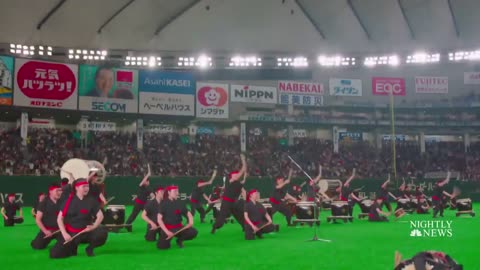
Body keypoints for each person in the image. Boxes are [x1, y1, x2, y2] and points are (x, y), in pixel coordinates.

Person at [49, 178, 108, 258]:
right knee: (54, 254)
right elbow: (59, 219)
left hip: (86, 232)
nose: (86, 188)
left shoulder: (91, 200)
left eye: (87, 186)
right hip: (71, 233)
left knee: (102, 231)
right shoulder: (68, 201)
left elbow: (100, 216)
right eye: (84, 186)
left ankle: (90, 248)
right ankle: (73, 247)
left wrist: (93, 227)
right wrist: (64, 233)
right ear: (76, 188)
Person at [211, 154, 247, 234]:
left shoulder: (238, 183)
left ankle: (245, 227)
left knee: (240, 215)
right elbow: (242, 171)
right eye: (235, 175)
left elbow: (243, 176)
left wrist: (245, 168)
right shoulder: (229, 181)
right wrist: (243, 160)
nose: (236, 175)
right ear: (231, 176)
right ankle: (215, 227)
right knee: (221, 219)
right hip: (226, 202)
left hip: (234, 202)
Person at [156, 185, 198, 250]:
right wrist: (167, 232)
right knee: (162, 246)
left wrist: (191, 221)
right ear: (169, 192)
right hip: (168, 229)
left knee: (193, 232)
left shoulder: (180, 202)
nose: (177, 193)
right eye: (175, 191)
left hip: (179, 228)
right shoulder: (163, 203)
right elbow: (159, 219)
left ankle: (179, 240)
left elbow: (188, 213)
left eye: (177, 191)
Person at [31, 183, 62, 249]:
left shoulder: (63, 202)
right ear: (50, 191)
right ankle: (35, 241)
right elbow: (38, 220)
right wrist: (45, 231)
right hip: (48, 231)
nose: (59, 192)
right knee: (37, 246)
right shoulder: (43, 203)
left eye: (60, 190)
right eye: (57, 190)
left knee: (68, 244)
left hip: (60, 230)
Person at [125, 165, 152, 231]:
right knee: (133, 215)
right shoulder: (141, 186)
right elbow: (143, 181)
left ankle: (151, 226)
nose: (148, 182)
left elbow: (152, 196)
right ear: (145, 181)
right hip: (138, 204)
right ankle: (127, 225)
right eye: (147, 181)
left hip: (144, 205)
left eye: (148, 181)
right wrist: (148, 174)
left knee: (149, 215)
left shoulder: (148, 189)